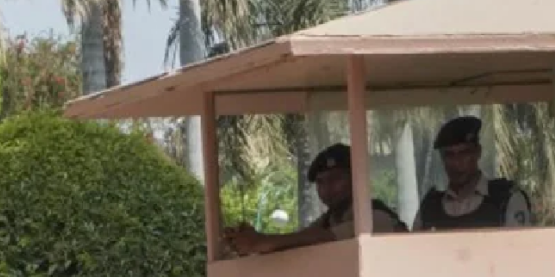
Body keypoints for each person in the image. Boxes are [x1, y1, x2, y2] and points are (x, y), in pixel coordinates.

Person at [226, 143, 407, 257]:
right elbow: (301, 240)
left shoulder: (374, 216)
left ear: (357, 179)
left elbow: (322, 238)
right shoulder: (329, 219)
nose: (327, 188)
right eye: (321, 182)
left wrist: (261, 241)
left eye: (336, 179)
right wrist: (248, 243)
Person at [413, 115, 532, 232]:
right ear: (442, 158)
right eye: (449, 155)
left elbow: (520, 243)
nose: (457, 162)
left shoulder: (506, 200)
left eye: (464, 153)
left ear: (477, 152)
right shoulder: (429, 209)